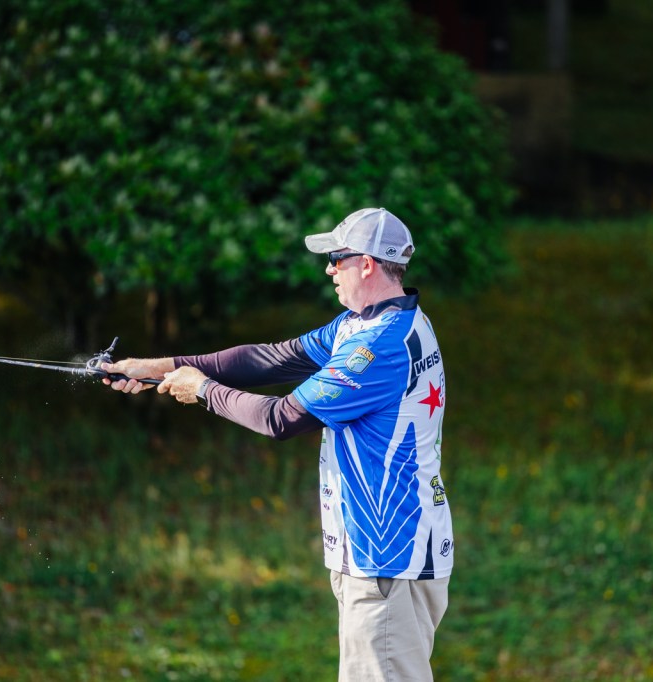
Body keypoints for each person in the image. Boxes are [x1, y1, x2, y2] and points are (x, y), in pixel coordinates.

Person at [103, 208, 453, 682]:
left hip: (387, 561)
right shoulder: (373, 323)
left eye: (337, 258)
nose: (329, 269)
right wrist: (157, 367)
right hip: (387, 557)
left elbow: (281, 418)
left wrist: (202, 391)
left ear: (367, 264)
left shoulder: (378, 346)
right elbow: (271, 359)